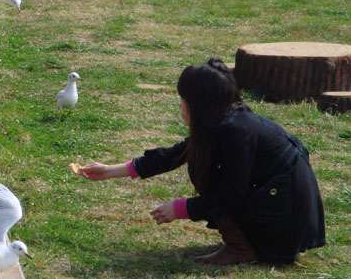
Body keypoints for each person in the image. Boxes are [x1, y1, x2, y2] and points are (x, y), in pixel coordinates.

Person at [80, 57, 325, 266]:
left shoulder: (236, 132)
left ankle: (242, 246)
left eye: (184, 100)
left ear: (200, 104)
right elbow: (175, 154)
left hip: (286, 218)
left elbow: (232, 195)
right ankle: (244, 240)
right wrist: (109, 171)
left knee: (204, 169)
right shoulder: (226, 120)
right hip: (280, 207)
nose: (180, 105)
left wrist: (180, 209)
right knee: (200, 159)